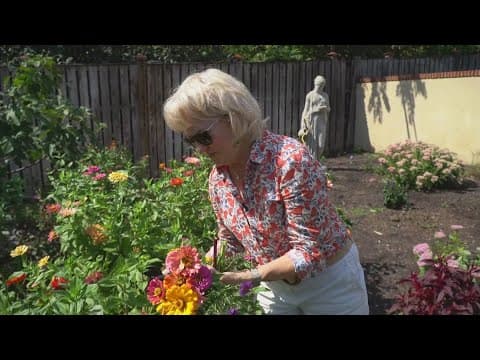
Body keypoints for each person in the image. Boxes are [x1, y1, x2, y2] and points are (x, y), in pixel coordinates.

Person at [163, 68, 369, 315]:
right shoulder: (218, 180)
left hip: (330, 284)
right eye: (190, 140)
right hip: (275, 287)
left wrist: (247, 276)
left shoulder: (290, 162)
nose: (199, 149)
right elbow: (229, 240)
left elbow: (308, 252)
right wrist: (193, 269)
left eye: (203, 137)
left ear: (233, 117)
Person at [298, 75, 331, 159]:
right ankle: (313, 163)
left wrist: (325, 108)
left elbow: (329, 108)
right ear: (315, 84)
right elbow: (305, 110)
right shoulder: (310, 95)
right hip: (312, 122)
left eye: (321, 86)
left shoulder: (325, 95)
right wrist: (302, 125)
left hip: (322, 121)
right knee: (312, 145)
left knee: (321, 145)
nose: (319, 87)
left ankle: (317, 161)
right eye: (318, 85)